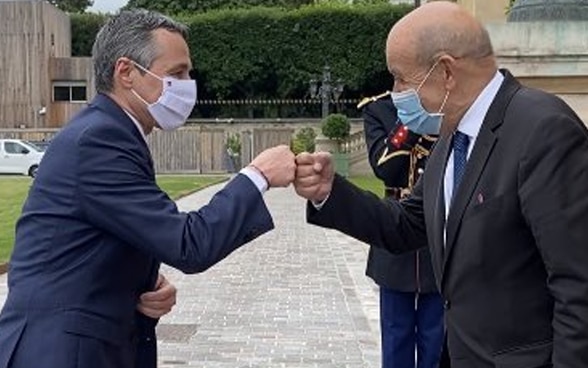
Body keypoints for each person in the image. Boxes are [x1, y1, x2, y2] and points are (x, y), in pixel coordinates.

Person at [294, 1, 588, 367]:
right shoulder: (453, 135)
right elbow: (406, 225)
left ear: (446, 72)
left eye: (401, 77)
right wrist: (329, 192)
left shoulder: (542, 130)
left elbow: (577, 286)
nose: (396, 91)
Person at [0, 9, 295, 368]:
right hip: (59, 352)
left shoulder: (113, 132)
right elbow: (189, 244)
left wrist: (142, 283)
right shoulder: (99, 140)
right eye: (176, 73)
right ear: (126, 72)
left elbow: (94, 240)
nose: (188, 85)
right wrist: (258, 175)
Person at [359, 91, 443, 368]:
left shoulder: (449, 104)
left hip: (438, 228)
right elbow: (386, 169)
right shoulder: (379, 109)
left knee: (437, 339)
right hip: (395, 225)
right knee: (396, 338)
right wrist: (409, 120)